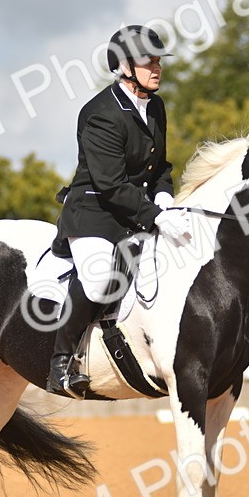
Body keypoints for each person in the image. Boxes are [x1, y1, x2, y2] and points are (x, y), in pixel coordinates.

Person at [47, 25, 195, 397]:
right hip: (95, 212)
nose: (157, 68)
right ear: (125, 65)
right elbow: (111, 184)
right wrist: (156, 216)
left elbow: (159, 167)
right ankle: (61, 363)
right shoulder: (100, 114)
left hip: (136, 211)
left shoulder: (156, 107)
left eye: (159, 61)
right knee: (97, 279)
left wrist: (164, 199)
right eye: (149, 62)